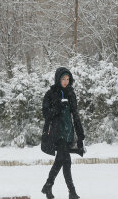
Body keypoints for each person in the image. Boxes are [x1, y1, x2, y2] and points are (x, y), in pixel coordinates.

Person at [41, 67, 85, 199]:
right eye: (63, 79)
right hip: (56, 133)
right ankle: (72, 191)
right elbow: (46, 114)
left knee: (62, 160)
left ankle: (48, 186)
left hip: (68, 133)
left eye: (67, 79)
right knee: (66, 160)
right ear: (58, 79)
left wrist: (80, 135)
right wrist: (58, 107)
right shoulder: (50, 93)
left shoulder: (71, 93)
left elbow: (75, 115)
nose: (66, 82)